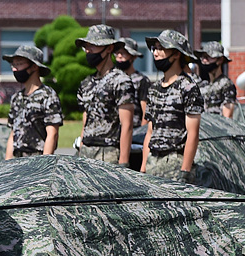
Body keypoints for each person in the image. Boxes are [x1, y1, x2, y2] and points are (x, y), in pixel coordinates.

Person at [141, 29, 203, 183]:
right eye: (154, 48)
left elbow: (193, 134)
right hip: (152, 162)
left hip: (175, 163)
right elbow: (150, 132)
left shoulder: (188, 87)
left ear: (176, 54)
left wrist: (185, 171)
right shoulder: (154, 88)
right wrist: (143, 168)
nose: (155, 52)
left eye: (161, 48)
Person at [75, 25, 133, 166]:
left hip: (108, 152)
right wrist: (81, 148)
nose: (88, 51)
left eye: (94, 46)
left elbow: (127, 124)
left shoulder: (121, 80)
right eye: (86, 46)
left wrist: (123, 163)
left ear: (109, 48)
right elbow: (85, 122)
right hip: (86, 151)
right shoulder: (86, 83)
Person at [3, 45, 62, 159]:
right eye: (13, 65)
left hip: (36, 159)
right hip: (17, 161)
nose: (15, 69)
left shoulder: (48, 95)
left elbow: (52, 134)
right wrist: (6, 165)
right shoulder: (17, 98)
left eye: (19, 64)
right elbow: (12, 135)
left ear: (34, 67)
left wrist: (44, 165)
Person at [114, 38, 150, 129]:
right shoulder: (112, 79)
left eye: (123, 53)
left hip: (134, 131)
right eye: (117, 53)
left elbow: (146, 112)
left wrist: (140, 134)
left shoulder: (141, 80)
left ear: (133, 56)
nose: (119, 56)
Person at [197, 41, 238, 118]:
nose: (204, 61)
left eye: (208, 57)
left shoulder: (226, 84)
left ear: (220, 60)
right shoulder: (202, 85)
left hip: (218, 128)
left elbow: (227, 117)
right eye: (203, 57)